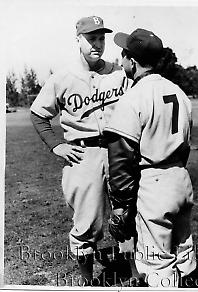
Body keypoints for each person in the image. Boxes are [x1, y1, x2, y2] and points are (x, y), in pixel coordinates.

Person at [30, 16, 130, 285]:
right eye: (91, 38)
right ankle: (87, 282)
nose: (97, 44)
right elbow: (38, 114)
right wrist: (56, 144)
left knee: (128, 215)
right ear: (78, 40)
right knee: (86, 224)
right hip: (83, 155)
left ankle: (134, 275)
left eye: (101, 38)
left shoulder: (120, 73)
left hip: (119, 151)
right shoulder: (62, 78)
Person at [104, 28, 196, 287]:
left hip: (154, 185)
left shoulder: (133, 97)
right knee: (183, 252)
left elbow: (121, 157)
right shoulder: (179, 92)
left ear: (131, 61)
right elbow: (186, 144)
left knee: (157, 263)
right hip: (181, 178)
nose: (121, 61)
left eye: (123, 55)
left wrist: (121, 205)